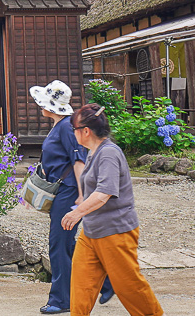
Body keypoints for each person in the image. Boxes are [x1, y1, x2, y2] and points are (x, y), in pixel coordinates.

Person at [62, 103, 162, 316]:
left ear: (86, 131)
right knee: (81, 287)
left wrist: (77, 212)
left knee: (129, 287)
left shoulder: (108, 153)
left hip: (115, 232)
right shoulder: (93, 152)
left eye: (75, 129)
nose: (74, 134)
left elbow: (104, 193)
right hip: (91, 232)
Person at [29, 81, 112, 314]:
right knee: (68, 244)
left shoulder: (66, 127)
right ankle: (107, 280)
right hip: (62, 190)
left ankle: (61, 299)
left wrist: (83, 196)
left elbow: (79, 162)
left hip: (68, 192)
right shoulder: (61, 125)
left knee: (59, 245)